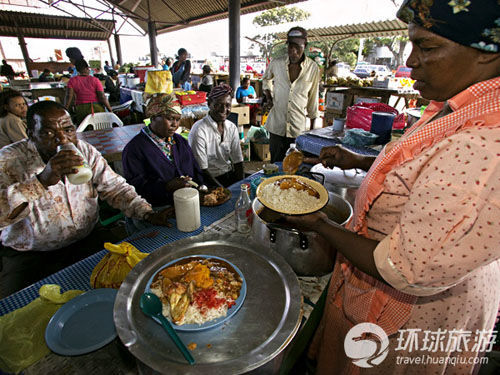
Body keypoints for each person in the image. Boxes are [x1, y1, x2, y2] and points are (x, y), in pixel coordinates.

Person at [287, 1, 500, 373]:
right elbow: (424, 170)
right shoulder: (463, 103)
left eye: (428, 47)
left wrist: (319, 225)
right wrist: (360, 162)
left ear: (485, 54)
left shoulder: (484, 145)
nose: (412, 61)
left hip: (417, 306)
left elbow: (405, 269)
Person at [0, 101, 174, 297]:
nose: (61, 139)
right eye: (48, 133)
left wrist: (147, 213)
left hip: (87, 238)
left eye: (68, 130)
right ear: (31, 135)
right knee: (14, 310)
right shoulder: (7, 161)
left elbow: (115, 188)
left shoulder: (84, 150)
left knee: (133, 286)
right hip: (30, 253)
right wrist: (41, 181)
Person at [122, 94, 203, 207]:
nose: (175, 124)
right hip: (157, 209)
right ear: (153, 117)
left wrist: (201, 187)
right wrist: (167, 186)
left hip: (188, 202)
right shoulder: (134, 149)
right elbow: (135, 189)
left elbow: (195, 169)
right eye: (169, 118)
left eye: (178, 119)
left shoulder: (180, 142)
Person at [262, 26, 320, 163]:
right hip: (276, 126)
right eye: (290, 47)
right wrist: (269, 97)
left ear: (305, 46)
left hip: (297, 129)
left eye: (297, 47)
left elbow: (313, 97)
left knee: (294, 164)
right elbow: (266, 79)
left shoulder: (313, 68)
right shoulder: (277, 63)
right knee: (275, 163)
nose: (293, 52)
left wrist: (311, 130)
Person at [188, 84, 244, 187]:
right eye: (218, 105)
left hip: (227, 174)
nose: (223, 110)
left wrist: (241, 185)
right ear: (209, 104)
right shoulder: (199, 130)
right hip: (207, 180)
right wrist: (223, 191)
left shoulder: (231, 127)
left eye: (227, 105)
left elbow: (238, 161)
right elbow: (202, 170)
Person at [65, 59, 113, 126]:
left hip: (81, 109)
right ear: (87, 68)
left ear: (77, 69)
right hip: (96, 108)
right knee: (100, 129)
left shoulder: (72, 81)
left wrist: (65, 109)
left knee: (84, 131)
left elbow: (69, 96)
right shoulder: (95, 80)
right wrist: (110, 109)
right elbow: (102, 97)